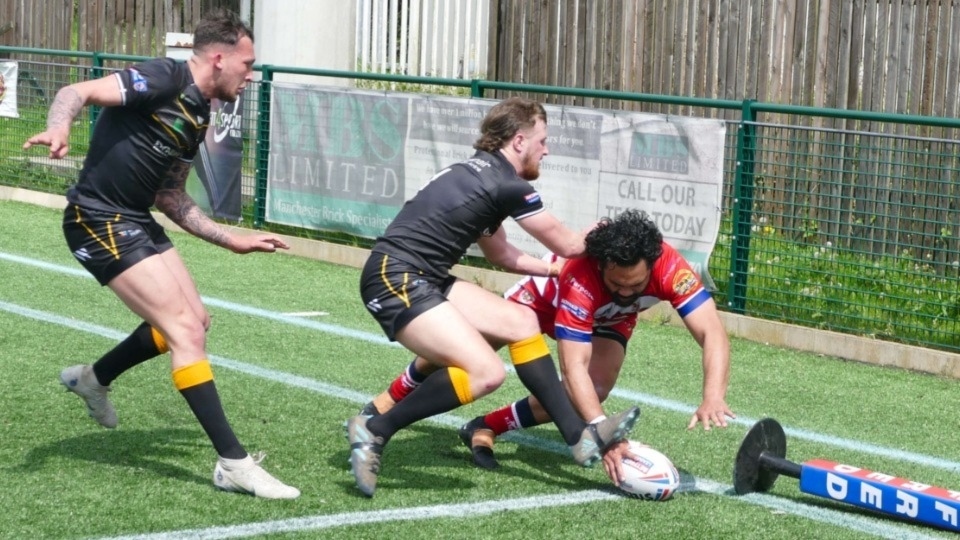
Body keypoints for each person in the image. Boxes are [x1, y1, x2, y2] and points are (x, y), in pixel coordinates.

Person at [22, 9, 299, 499]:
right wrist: (59, 127)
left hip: (135, 218)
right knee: (184, 330)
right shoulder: (162, 77)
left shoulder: (200, 112)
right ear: (219, 58)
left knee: (196, 320)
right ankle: (233, 463)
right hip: (97, 218)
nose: (251, 74)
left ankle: (94, 378)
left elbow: (171, 196)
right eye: (248, 62)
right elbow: (75, 92)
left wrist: (230, 239)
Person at [347, 97, 641, 498]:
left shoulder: (478, 173)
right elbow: (571, 244)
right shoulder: (510, 186)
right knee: (487, 373)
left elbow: (501, 254)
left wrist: (553, 270)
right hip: (394, 277)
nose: (547, 149)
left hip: (424, 275)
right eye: (542, 140)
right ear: (519, 141)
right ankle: (376, 428)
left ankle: (578, 437)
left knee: (521, 322)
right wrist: (606, 233)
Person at [362, 209, 734, 485]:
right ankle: (391, 396)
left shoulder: (671, 267)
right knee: (466, 349)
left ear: (653, 265)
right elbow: (572, 370)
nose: (624, 291)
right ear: (601, 264)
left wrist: (712, 396)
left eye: (634, 285)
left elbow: (712, 332)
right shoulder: (581, 276)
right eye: (616, 282)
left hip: (608, 320)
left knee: (598, 386)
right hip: (540, 302)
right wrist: (599, 430)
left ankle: (483, 426)